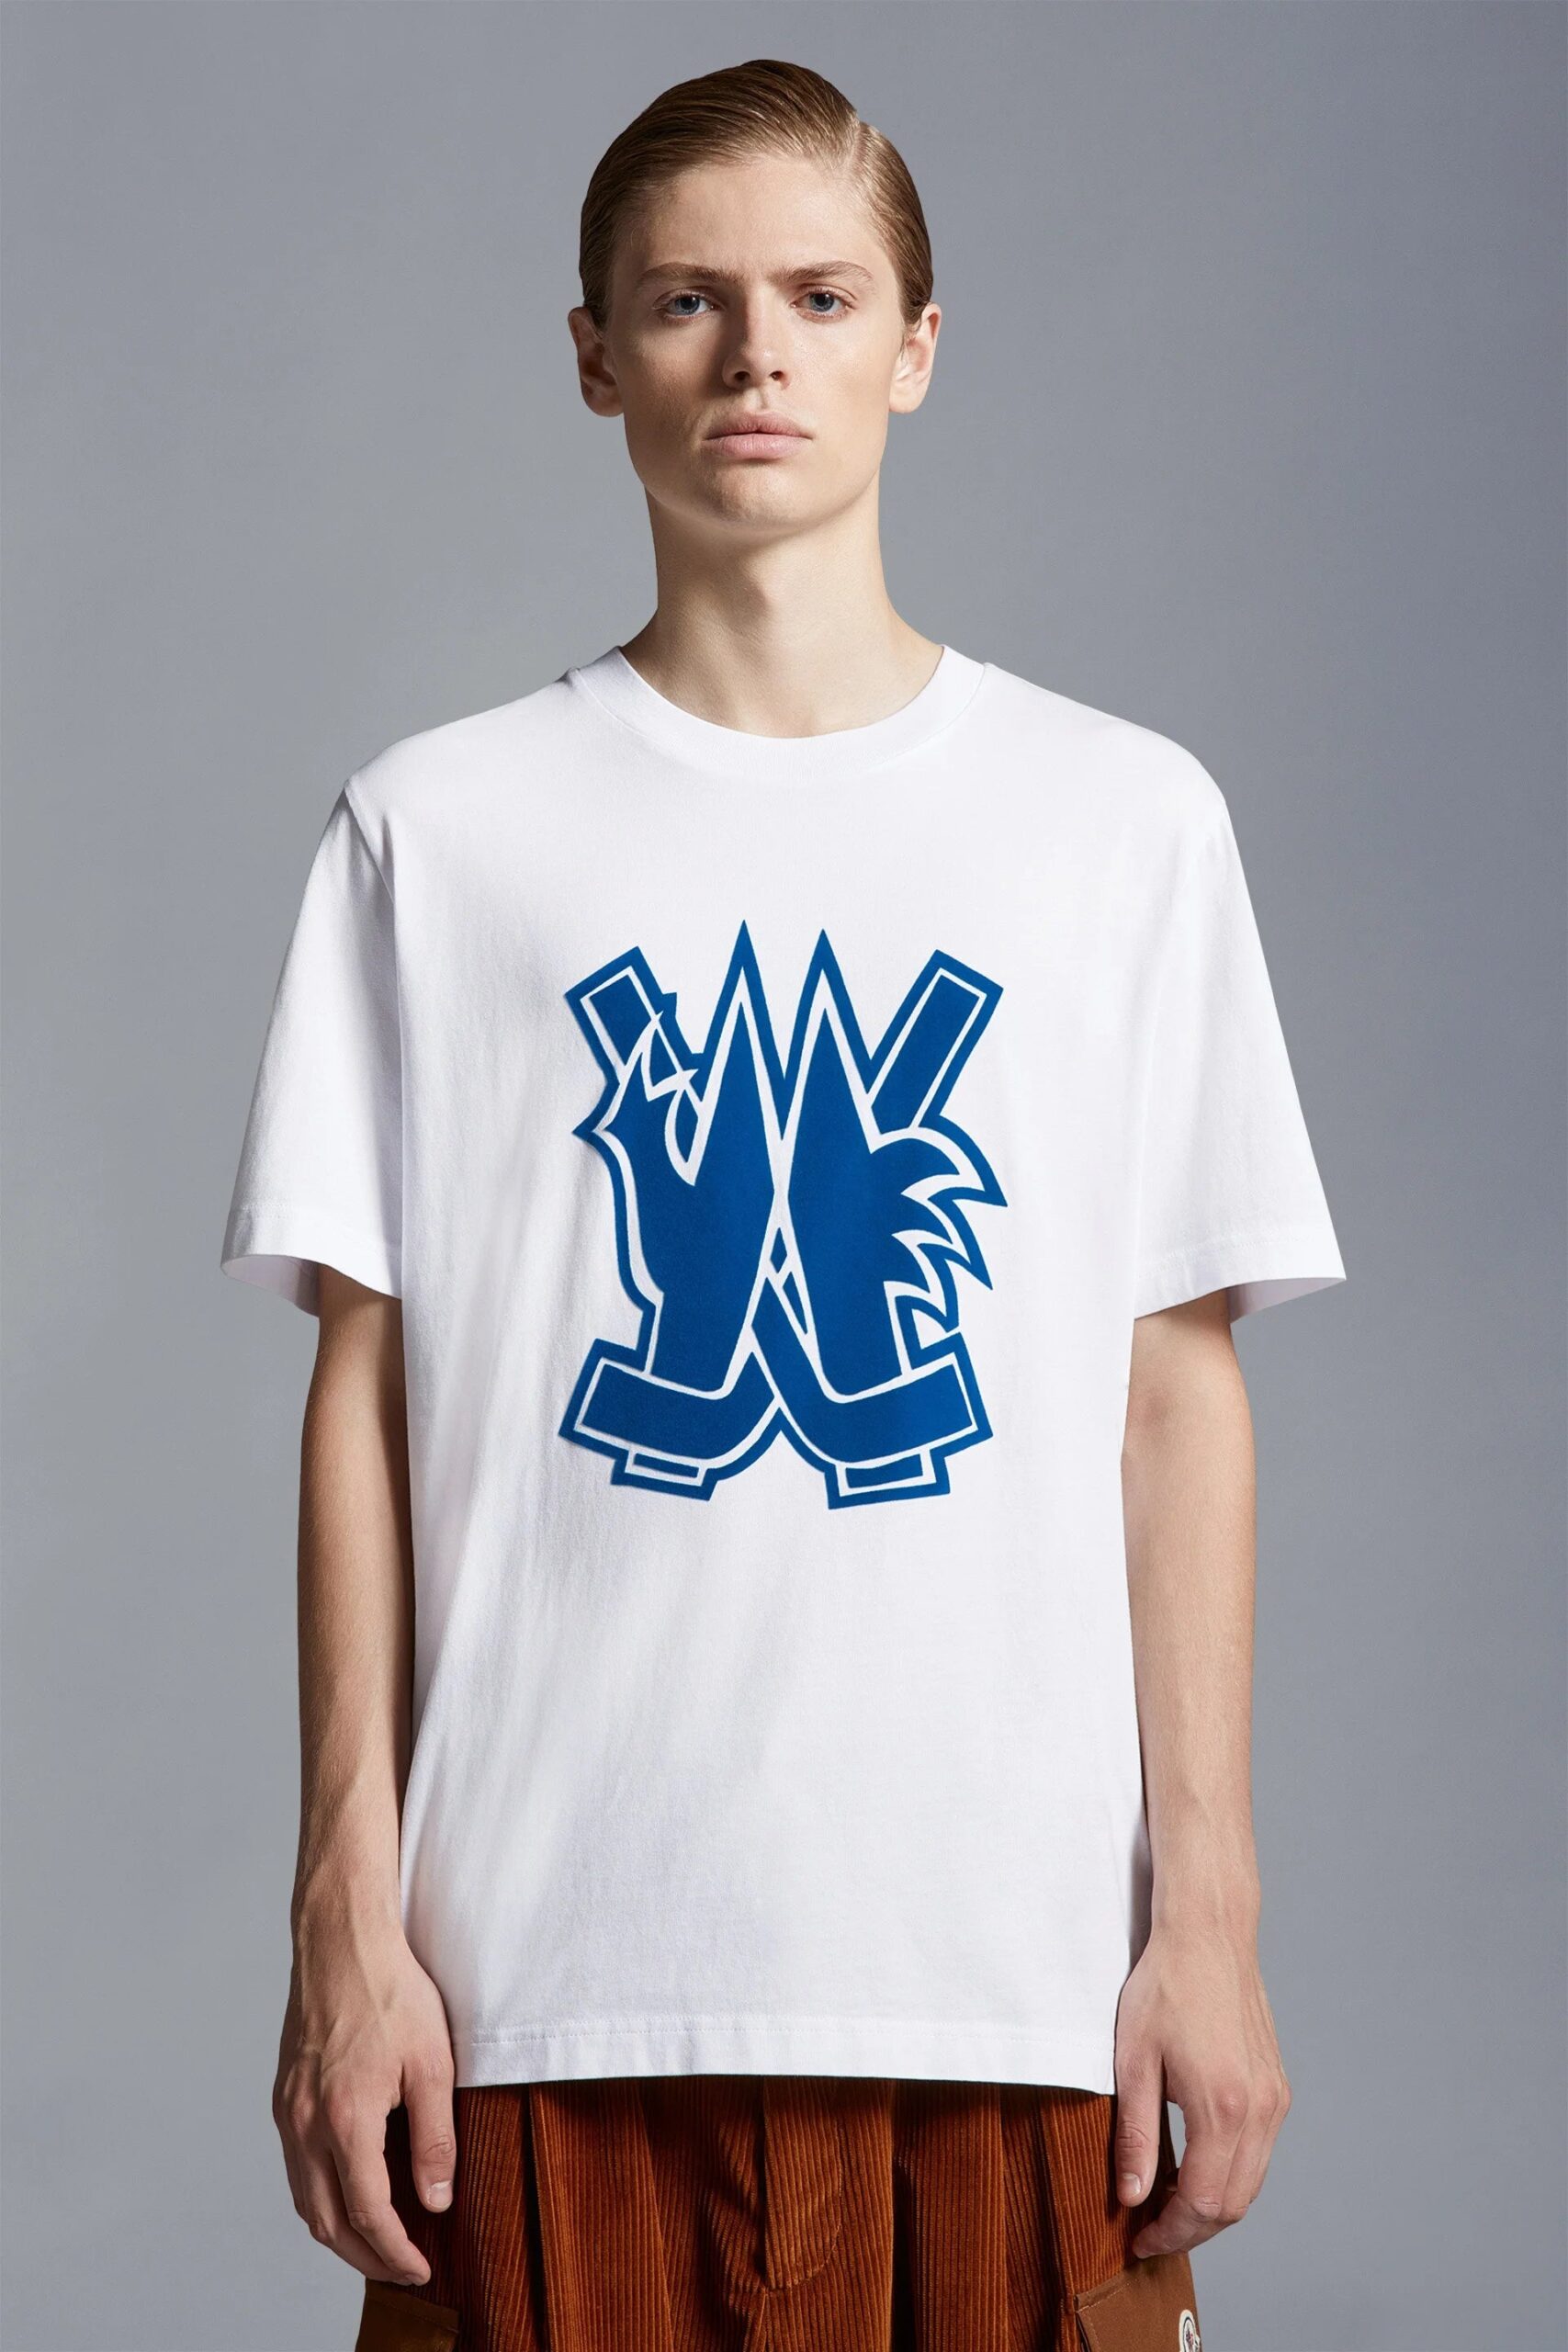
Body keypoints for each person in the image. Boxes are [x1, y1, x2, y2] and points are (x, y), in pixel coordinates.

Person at [220, 56, 1344, 2352]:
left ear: (915, 347)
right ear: (592, 352)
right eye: (685, 300)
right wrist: (345, 1910)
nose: (756, 356)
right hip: (533, 1988)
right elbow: (367, 1394)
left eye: (821, 298)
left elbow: (1170, 1395)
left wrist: (1207, 1914)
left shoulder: (1119, 823)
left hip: (1015, 1985)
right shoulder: (437, 830)